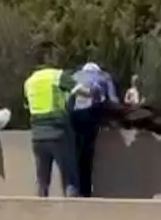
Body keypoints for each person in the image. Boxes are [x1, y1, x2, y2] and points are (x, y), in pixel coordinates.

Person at [25, 62, 91, 197]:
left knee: (42, 181)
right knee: (69, 178)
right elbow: (82, 91)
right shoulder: (57, 75)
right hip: (59, 133)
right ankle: (72, 214)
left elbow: (27, 104)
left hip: (37, 135)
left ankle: (39, 213)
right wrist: (91, 92)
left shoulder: (29, 82)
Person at [70, 62, 120, 198]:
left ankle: (76, 188)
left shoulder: (74, 76)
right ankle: (85, 191)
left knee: (76, 153)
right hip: (91, 116)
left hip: (74, 117)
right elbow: (113, 100)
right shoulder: (104, 77)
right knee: (87, 154)